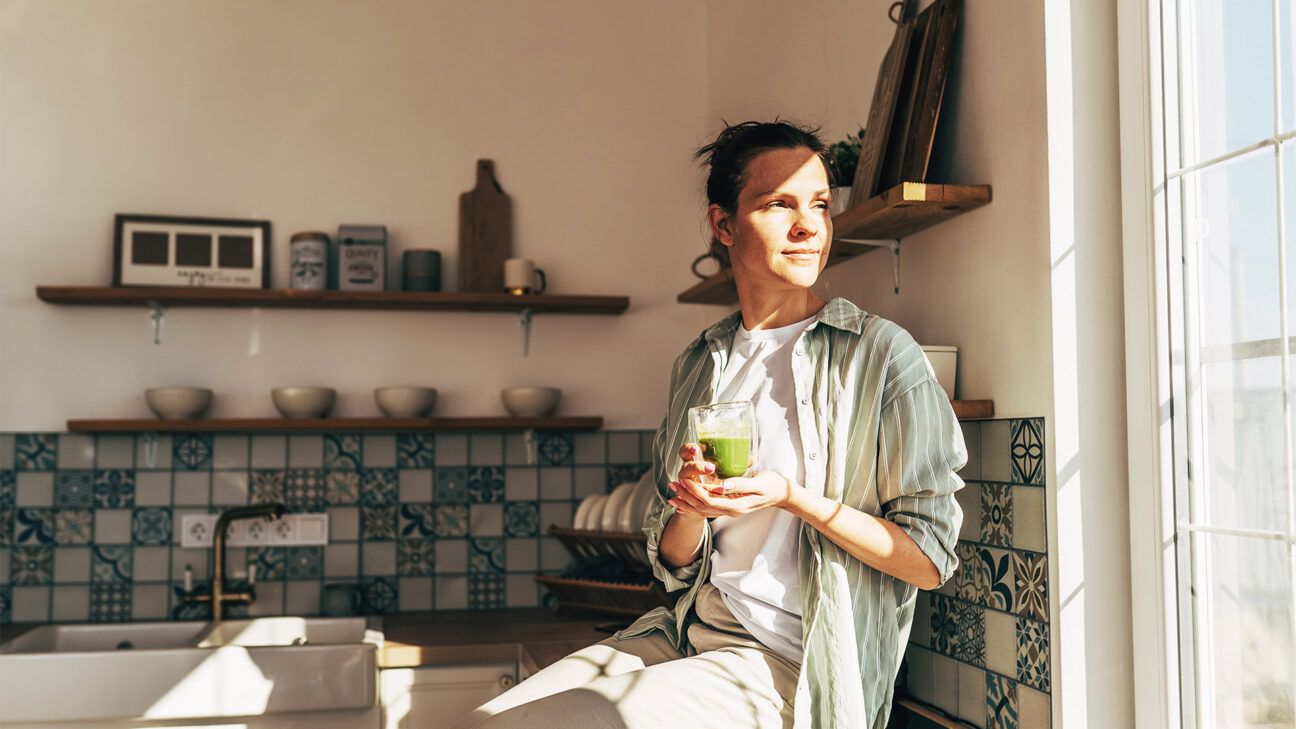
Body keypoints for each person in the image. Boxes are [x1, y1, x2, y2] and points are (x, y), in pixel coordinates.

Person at [454, 120, 966, 729]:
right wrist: (691, 508)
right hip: (684, 632)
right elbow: (671, 563)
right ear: (724, 224)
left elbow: (929, 561)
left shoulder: (879, 355)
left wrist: (794, 498)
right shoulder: (702, 362)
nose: (808, 227)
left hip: (790, 662)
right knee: (479, 721)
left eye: (821, 205)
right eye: (780, 205)